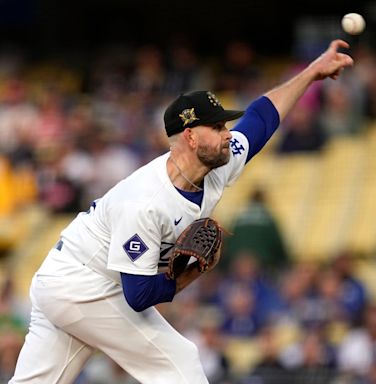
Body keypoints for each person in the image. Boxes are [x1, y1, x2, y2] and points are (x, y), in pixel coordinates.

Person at [9, 39, 354, 384]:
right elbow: (139, 296)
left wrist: (311, 72)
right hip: (82, 284)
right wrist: (191, 274)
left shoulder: (218, 161)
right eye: (217, 127)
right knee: (179, 362)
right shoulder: (146, 201)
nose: (226, 134)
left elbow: (262, 118)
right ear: (190, 137)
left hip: (68, 282)